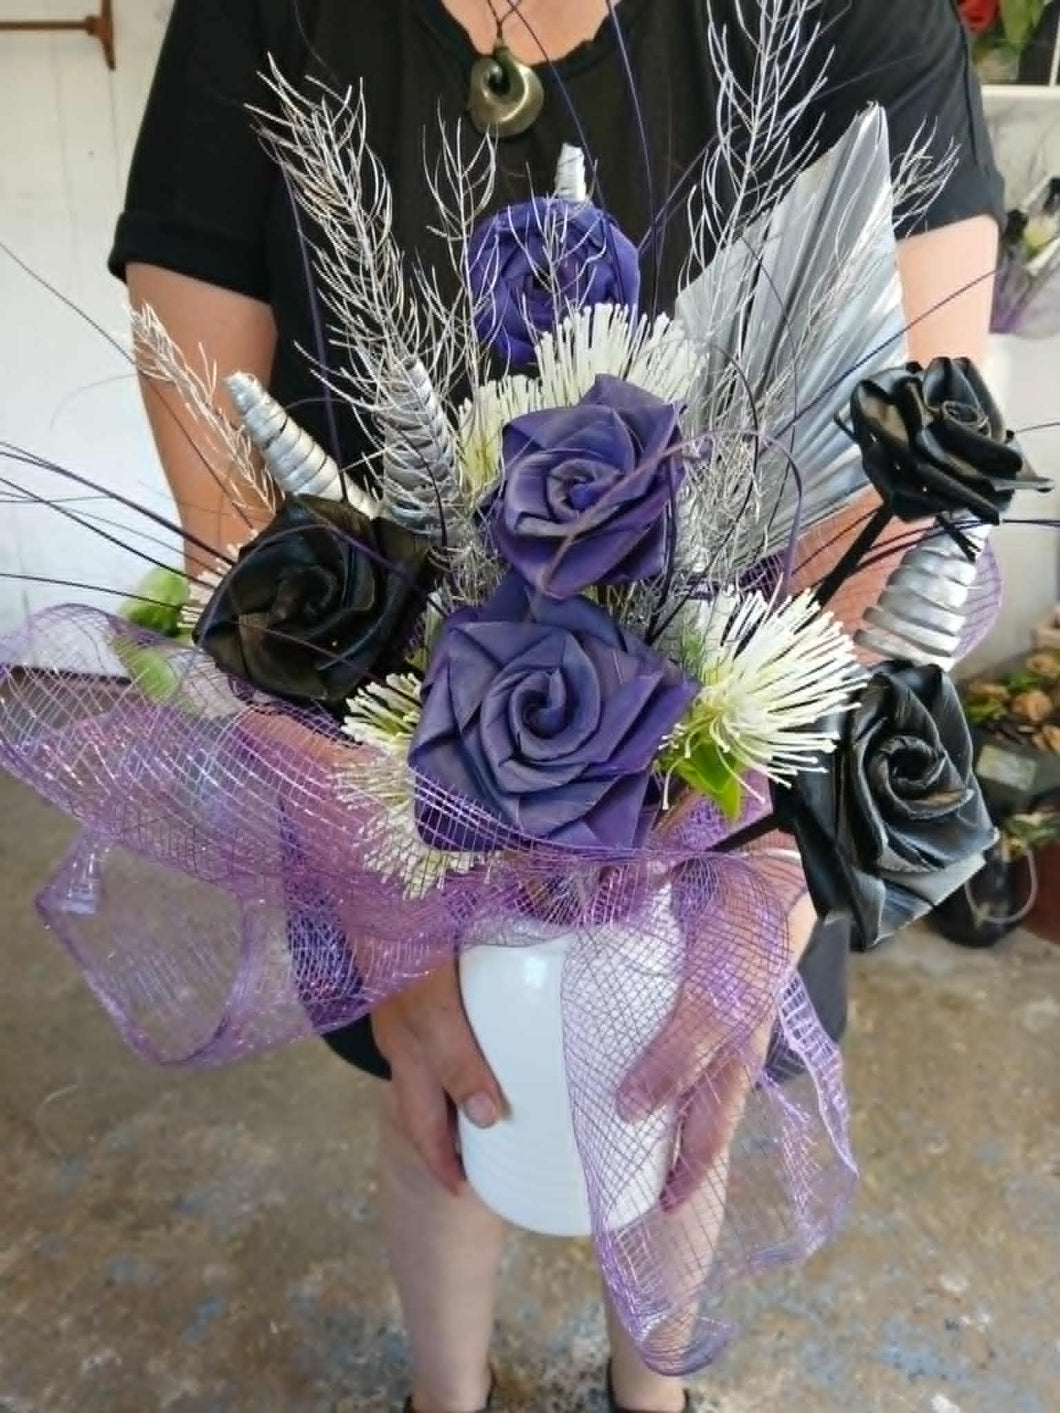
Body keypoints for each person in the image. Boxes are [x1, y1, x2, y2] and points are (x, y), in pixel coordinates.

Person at [109, 3, 1003, 1409]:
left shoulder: (858, 16)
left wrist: (762, 880)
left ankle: (655, 1395)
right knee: (452, 1111)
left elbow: (912, 492)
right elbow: (230, 528)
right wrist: (385, 916)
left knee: (674, 1105)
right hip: (396, 783)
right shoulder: (260, 15)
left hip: (738, 782)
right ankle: (443, 1394)